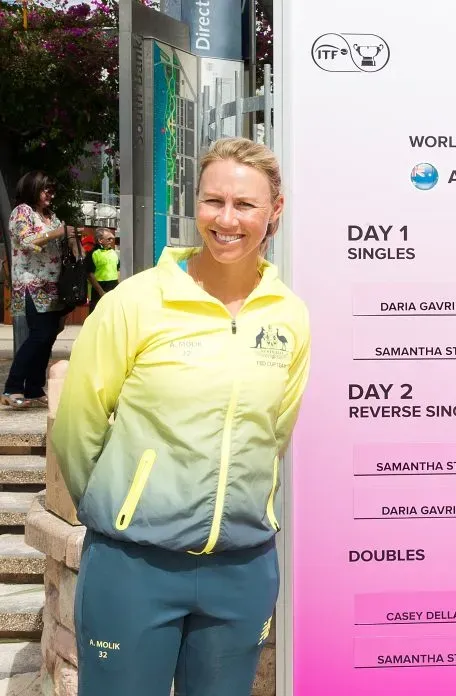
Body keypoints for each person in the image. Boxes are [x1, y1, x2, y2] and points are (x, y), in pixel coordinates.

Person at [51, 137, 311, 696]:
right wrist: (121, 511)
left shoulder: (289, 315)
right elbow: (79, 426)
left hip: (241, 569)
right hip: (134, 567)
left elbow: (275, 432)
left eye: (245, 205)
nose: (227, 220)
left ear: (275, 211)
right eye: (213, 201)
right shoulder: (136, 302)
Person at [3, 172, 69, 409]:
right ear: (33, 189)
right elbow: (24, 240)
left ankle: (33, 387)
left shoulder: (51, 216)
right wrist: (59, 232)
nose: (50, 195)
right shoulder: (22, 212)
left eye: (52, 190)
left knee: (48, 336)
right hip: (32, 282)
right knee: (39, 335)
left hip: (52, 284)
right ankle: (12, 387)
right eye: (46, 190)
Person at [85, 227, 119, 313]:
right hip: (98, 291)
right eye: (109, 239)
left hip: (113, 289)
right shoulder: (93, 253)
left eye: (112, 238)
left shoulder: (113, 252)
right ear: (100, 240)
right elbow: (90, 275)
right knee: (97, 317)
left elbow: (118, 270)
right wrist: (101, 292)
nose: (111, 241)